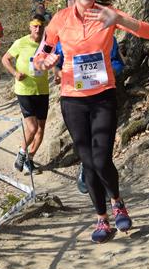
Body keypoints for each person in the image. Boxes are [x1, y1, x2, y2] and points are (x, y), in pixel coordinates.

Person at [34, 0, 149, 243]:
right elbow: (39, 57)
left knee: (102, 158)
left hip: (103, 96)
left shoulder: (108, 13)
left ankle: (117, 202)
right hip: (72, 100)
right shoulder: (60, 20)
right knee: (89, 163)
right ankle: (102, 218)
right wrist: (45, 62)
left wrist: (121, 20)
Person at [54, 37, 125, 195]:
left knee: (102, 148)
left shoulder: (106, 36)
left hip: (102, 98)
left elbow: (118, 63)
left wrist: (106, 73)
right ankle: (86, 170)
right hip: (75, 101)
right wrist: (60, 74)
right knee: (85, 143)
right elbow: (57, 65)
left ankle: (108, 186)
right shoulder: (64, 38)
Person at [1, 15, 50, 175]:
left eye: (40, 26)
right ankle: (22, 153)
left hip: (42, 90)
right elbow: (5, 59)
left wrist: (57, 73)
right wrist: (15, 73)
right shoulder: (20, 42)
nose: (38, 28)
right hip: (25, 90)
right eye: (35, 26)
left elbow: (54, 60)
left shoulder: (47, 44)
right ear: (30, 27)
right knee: (32, 127)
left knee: (41, 129)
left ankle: (30, 159)